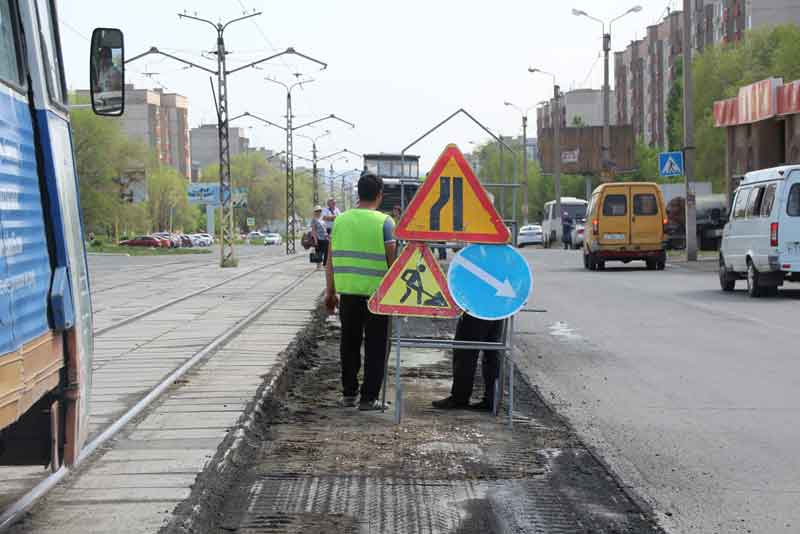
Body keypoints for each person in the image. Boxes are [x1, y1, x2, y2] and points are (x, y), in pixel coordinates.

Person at [325, 172, 397, 411]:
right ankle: (368, 399)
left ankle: (348, 395)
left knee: (349, 344)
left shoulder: (341, 221)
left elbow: (330, 260)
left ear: (358, 193)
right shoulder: (385, 222)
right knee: (377, 347)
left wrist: (330, 292)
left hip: (349, 296)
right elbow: (392, 261)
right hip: (378, 298)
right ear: (379, 195)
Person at [432, 313, 504, 411]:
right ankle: (492, 401)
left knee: (465, 350)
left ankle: (460, 398)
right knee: (492, 350)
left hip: (476, 307)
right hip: (499, 308)